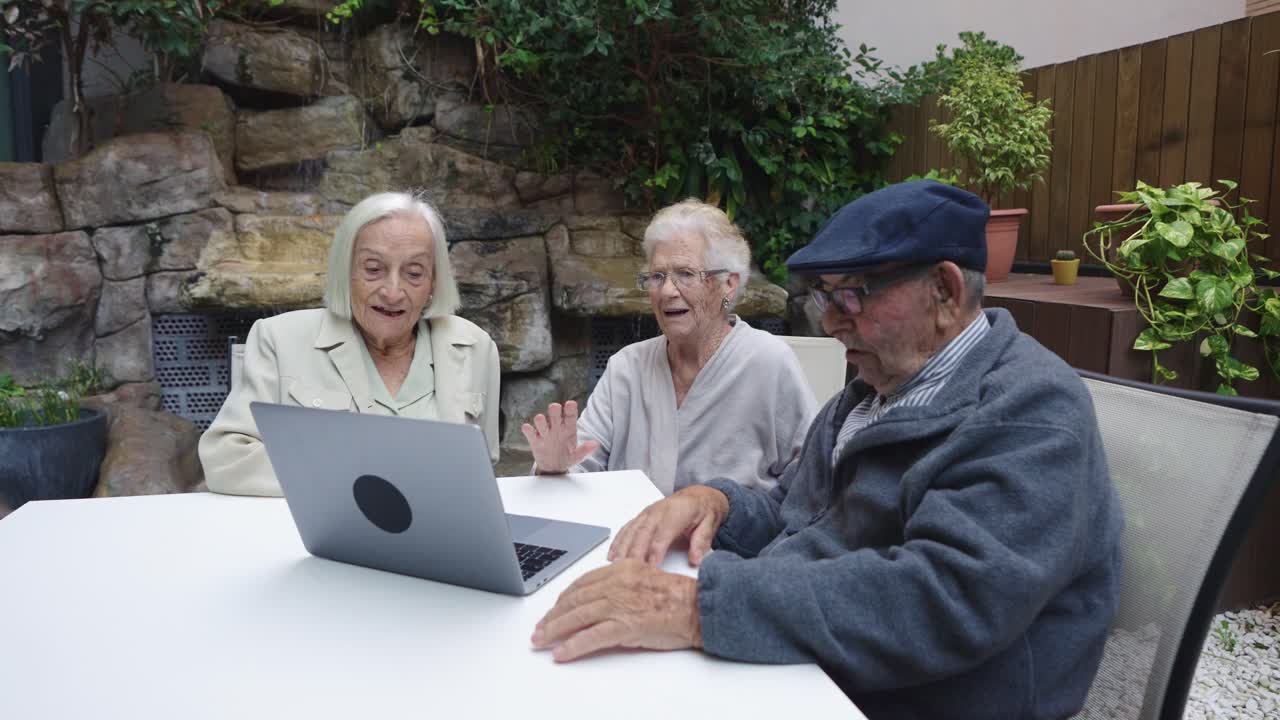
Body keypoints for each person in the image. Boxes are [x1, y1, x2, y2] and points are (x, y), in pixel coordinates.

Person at [530, 181, 1124, 720]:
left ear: (943, 290)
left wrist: (698, 608)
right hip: (816, 670)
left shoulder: (1029, 411)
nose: (832, 324)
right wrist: (714, 502)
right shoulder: (874, 391)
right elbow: (795, 507)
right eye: (825, 298)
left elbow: (940, 602)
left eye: (853, 296)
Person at [199, 191, 501, 497]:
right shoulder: (279, 339)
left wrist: (544, 474)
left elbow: (483, 474)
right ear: (346, 270)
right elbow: (225, 458)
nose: (393, 292)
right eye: (373, 269)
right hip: (318, 539)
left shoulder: (476, 347)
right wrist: (355, 478)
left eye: (413, 273)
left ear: (434, 283)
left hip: (442, 540)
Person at [520, 198, 818, 496]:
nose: (666, 291)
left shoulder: (768, 362)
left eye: (686, 274)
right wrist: (554, 467)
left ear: (728, 284)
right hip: (627, 538)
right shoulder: (627, 367)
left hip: (729, 542)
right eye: (657, 276)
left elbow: (812, 482)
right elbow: (580, 466)